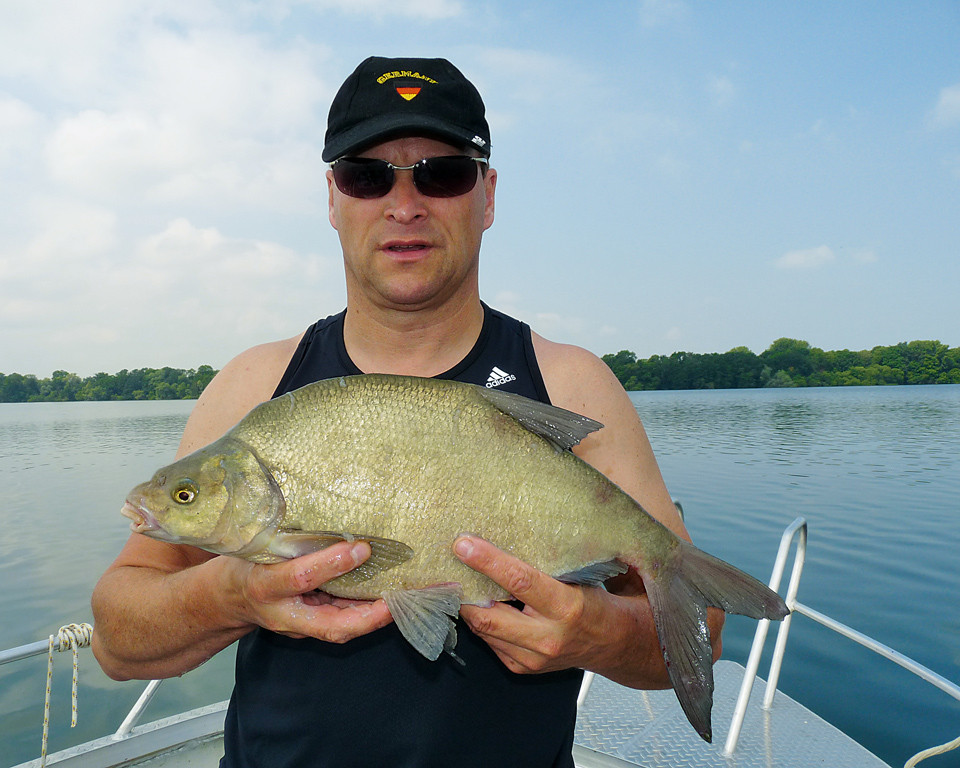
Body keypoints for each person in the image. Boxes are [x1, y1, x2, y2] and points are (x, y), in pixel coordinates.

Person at [92, 56, 724, 767]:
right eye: (367, 175)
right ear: (333, 198)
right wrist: (232, 595)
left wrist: (601, 631)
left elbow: (699, 624)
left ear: (487, 196)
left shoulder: (572, 384)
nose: (404, 204)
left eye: (441, 172)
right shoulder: (257, 386)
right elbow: (118, 639)